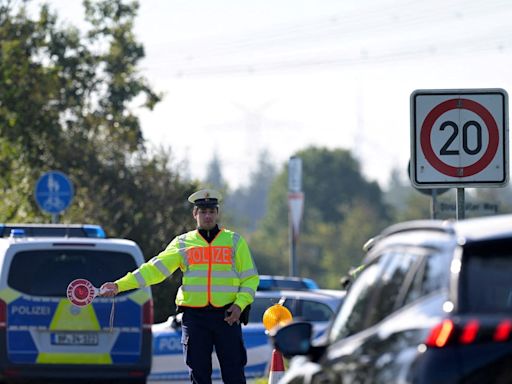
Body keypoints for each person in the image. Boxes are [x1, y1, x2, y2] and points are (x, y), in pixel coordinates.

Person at [100, 189, 259, 384]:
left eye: (211, 211)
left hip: (227, 315)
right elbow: (154, 269)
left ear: (217, 213)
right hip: (195, 318)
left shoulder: (234, 242)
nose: (207, 216)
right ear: (195, 214)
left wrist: (239, 305)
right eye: (202, 211)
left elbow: (250, 279)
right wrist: (118, 286)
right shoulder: (183, 243)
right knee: (199, 374)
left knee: (234, 373)